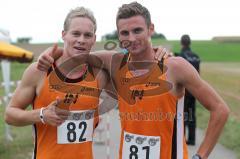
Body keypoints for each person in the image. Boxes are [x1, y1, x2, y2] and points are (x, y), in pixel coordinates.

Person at [37, 2, 230, 159]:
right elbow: (79, 52)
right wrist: (52, 52)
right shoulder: (115, 63)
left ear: (150, 29)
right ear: (119, 35)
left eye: (137, 30)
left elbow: (220, 109)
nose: (131, 38)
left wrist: (200, 156)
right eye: (124, 33)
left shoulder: (175, 67)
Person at [4, 7, 110, 159]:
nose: (81, 39)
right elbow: (9, 115)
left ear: (94, 39)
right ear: (64, 35)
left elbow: (126, 60)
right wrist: (41, 115)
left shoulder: (99, 75)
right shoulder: (39, 71)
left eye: (87, 35)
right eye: (76, 33)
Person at [179, 34, 200, 146]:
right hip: (195, 89)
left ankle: (181, 139)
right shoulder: (196, 56)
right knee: (192, 114)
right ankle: (192, 139)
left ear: (181, 43)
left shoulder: (181, 56)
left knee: (182, 114)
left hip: (184, 90)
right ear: (190, 43)